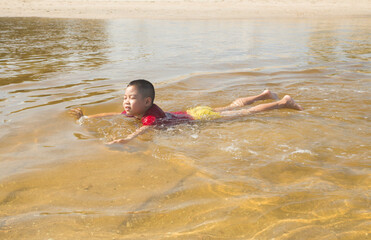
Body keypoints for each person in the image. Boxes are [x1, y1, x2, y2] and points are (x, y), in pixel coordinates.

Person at [69, 79, 303, 144]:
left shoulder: (149, 117)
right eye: (124, 98)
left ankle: (282, 102)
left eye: (131, 98)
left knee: (242, 113)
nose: (126, 103)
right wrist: (87, 117)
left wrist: (126, 139)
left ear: (147, 101)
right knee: (233, 107)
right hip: (191, 112)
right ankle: (263, 94)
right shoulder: (136, 112)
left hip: (198, 117)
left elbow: (141, 132)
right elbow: (110, 115)